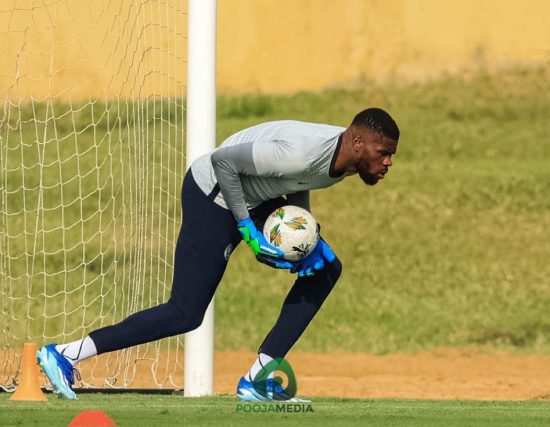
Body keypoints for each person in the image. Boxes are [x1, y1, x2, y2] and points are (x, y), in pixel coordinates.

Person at [37, 107, 400, 401]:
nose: (387, 163)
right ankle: (66, 354)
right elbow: (223, 162)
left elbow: (299, 181)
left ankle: (258, 378)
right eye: (383, 153)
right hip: (213, 193)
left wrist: (302, 230)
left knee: (324, 267)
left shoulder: (342, 159)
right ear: (357, 142)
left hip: (256, 197)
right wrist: (249, 231)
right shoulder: (303, 152)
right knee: (185, 312)